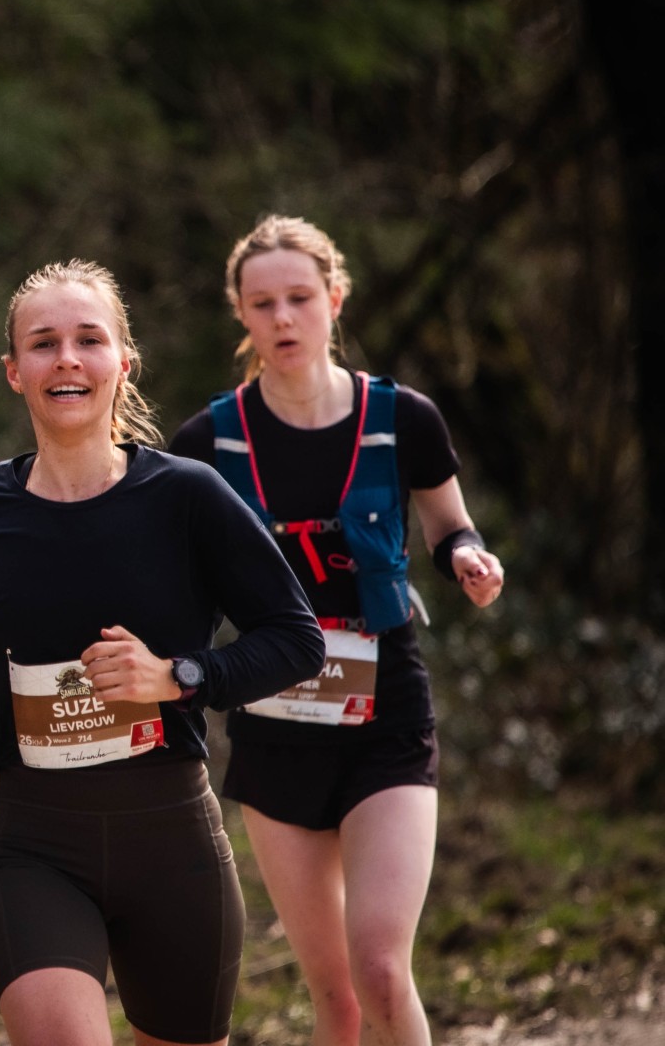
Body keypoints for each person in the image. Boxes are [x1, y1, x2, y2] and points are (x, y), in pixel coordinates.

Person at [0, 260, 324, 1046]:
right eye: (43, 344)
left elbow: (296, 639)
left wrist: (179, 676)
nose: (67, 360)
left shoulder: (187, 496)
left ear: (124, 362)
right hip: (35, 846)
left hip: (174, 842)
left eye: (89, 340)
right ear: (14, 372)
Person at [168, 215, 505, 1046]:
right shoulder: (208, 442)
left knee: (382, 970)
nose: (283, 317)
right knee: (338, 998)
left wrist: (468, 558)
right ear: (241, 314)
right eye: (262, 303)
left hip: (386, 713)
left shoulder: (404, 419)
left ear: (335, 299)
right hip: (274, 723)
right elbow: (172, 576)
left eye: (300, 298)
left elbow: (449, 526)